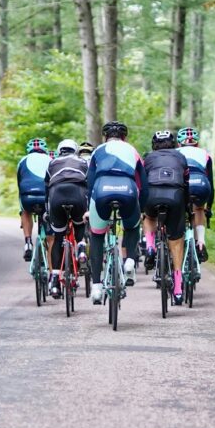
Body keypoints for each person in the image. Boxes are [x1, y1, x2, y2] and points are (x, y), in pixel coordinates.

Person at [87, 121, 146, 303]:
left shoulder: (98, 151)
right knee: (132, 226)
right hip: (127, 190)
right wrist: (141, 209)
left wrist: (90, 206)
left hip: (102, 191)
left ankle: (96, 287)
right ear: (124, 137)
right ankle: (129, 262)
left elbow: (89, 182)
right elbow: (143, 184)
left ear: (105, 137)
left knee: (96, 236)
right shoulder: (132, 151)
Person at [141, 130, 191, 305]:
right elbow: (186, 184)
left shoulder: (147, 159)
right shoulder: (180, 157)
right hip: (175, 195)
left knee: (148, 217)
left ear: (154, 146)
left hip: (152, 194)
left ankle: (149, 247)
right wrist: (185, 208)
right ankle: (178, 289)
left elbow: (141, 183)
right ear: (175, 144)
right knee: (176, 240)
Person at [44, 139, 89, 299]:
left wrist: (47, 211)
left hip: (57, 195)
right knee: (80, 225)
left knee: (58, 237)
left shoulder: (52, 163)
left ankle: (55, 281)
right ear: (75, 150)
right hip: (78, 194)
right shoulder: (83, 161)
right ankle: (82, 249)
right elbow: (89, 184)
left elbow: (46, 188)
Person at [176, 126, 213, 263]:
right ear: (197, 143)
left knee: (177, 210)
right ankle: (201, 242)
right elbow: (211, 183)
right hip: (201, 184)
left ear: (179, 143)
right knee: (199, 209)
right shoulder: (205, 154)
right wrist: (208, 207)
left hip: (182, 184)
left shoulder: (175, 152)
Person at [17, 137, 52, 261]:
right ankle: (52, 259)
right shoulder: (50, 160)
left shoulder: (22, 160)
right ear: (45, 150)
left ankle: (27, 242)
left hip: (28, 197)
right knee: (51, 226)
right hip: (45, 198)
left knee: (25, 210)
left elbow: (19, 183)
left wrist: (21, 209)